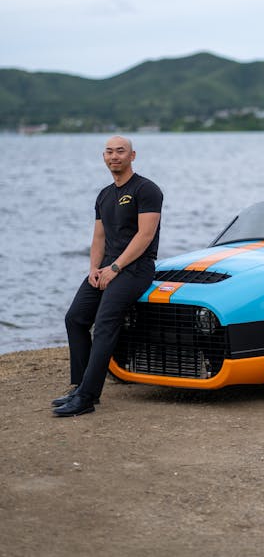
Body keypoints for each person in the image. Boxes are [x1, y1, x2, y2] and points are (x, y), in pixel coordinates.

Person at [52, 136, 163, 417]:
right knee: (75, 318)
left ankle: (88, 398)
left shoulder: (146, 189)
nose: (114, 156)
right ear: (104, 157)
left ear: (132, 156)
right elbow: (99, 237)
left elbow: (145, 235)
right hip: (107, 266)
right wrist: (94, 269)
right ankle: (80, 386)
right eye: (109, 152)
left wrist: (115, 268)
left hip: (136, 267)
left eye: (120, 151)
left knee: (104, 323)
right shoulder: (104, 195)